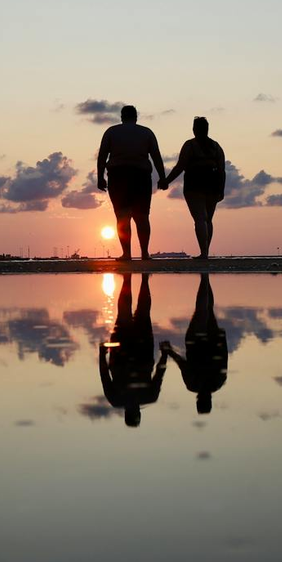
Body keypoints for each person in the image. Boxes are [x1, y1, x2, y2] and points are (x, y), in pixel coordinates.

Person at [97, 105, 167, 261]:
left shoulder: (111, 132)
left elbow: (102, 156)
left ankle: (127, 254)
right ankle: (144, 253)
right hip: (140, 176)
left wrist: (100, 177)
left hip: (118, 176)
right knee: (142, 216)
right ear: (136, 117)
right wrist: (162, 177)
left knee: (122, 217)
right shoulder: (146, 132)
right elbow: (156, 157)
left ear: (122, 117)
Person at [98, 273, 167, 428]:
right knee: (124, 313)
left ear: (138, 414)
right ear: (126, 415)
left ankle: (143, 279)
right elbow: (104, 375)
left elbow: (160, 373)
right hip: (122, 355)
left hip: (142, 353)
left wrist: (165, 354)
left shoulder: (150, 397)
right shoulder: (115, 400)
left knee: (143, 311)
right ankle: (127, 279)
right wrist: (102, 355)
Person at [160, 116, 226, 260]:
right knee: (208, 219)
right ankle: (205, 252)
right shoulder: (216, 146)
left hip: (194, 185)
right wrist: (221, 189)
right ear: (207, 129)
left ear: (194, 129)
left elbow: (180, 166)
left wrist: (166, 181)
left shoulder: (190, 145)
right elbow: (222, 170)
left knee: (200, 219)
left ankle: (204, 253)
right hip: (213, 185)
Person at [160, 274, 228, 415]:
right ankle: (204, 277)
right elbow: (183, 365)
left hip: (211, 340)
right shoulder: (194, 384)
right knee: (203, 309)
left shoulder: (218, 382)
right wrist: (169, 351)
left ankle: (206, 277)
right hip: (196, 341)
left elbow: (223, 358)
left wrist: (222, 339)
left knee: (207, 309)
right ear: (198, 401)